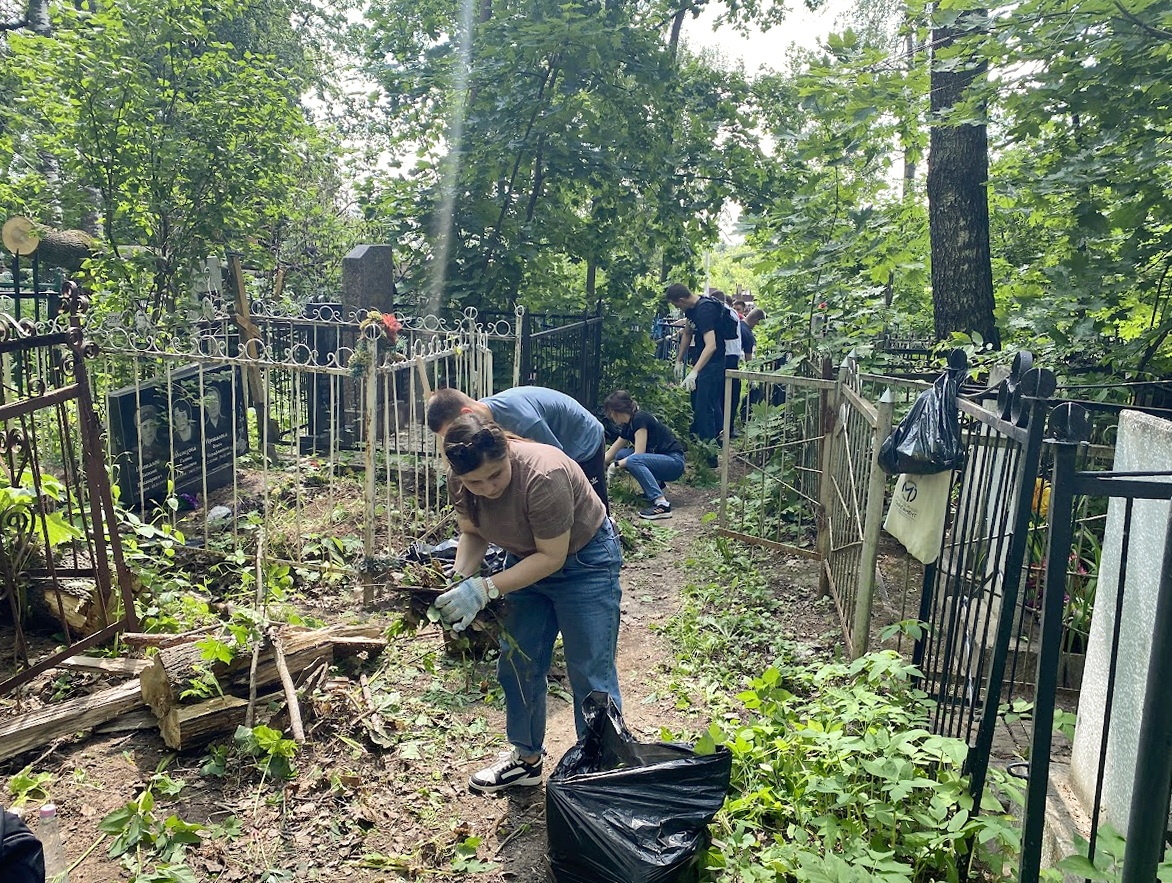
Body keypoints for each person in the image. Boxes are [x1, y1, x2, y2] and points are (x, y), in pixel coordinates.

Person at [434, 413, 623, 794]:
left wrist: (485, 589)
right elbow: (471, 533)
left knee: (590, 670)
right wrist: (461, 581)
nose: (486, 488)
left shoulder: (543, 474)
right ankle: (526, 760)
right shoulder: (460, 480)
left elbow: (551, 557)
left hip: (584, 562)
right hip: (521, 562)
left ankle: (598, 768)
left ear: (507, 452)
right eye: (475, 481)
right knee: (518, 662)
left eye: (495, 475)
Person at [426, 386, 608, 510]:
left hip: (583, 440)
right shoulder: (480, 418)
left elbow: (555, 462)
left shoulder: (524, 421)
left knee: (591, 503)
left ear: (467, 413)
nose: (454, 439)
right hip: (559, 435)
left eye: (452, 431)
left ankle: (606, 542)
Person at [602, 390, 685, 520]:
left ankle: (662, 504)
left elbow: (638, 455)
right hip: (661, 460)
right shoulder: (628, 425)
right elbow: (611, 453)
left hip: (674, 462)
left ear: (616, 410)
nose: (610, 416)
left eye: (610, 412)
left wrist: (615, 466)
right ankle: (656, 486)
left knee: (633, 460)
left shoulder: (640, 419)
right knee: (621, 454)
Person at [668, 283, 732, 443]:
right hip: (701, 362)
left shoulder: (704, 310)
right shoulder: (691, 310)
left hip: (713, 363)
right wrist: (679, 360)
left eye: (676, 304)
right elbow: (688, 334)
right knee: (696, 403)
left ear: (681, 299)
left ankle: (709, 451)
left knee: (705, 406)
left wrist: (694, 372)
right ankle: (696, 440)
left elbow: (711, 346)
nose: (677, 308)